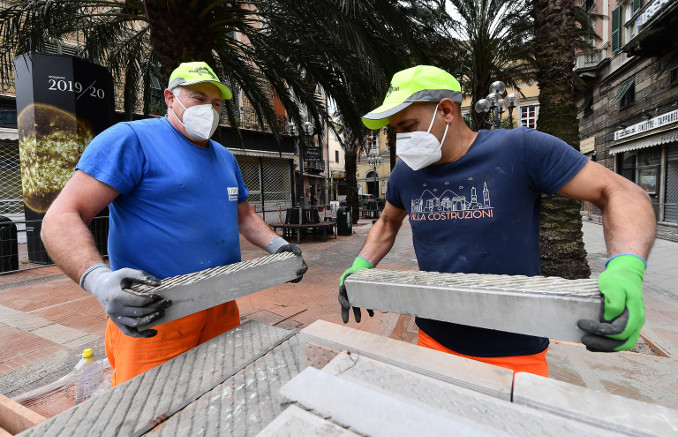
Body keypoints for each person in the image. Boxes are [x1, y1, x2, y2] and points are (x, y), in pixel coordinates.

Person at [338, 65, 656, 377]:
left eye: (407, 127)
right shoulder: (406, 173)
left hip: (515, 352)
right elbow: (388, 221)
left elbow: (621, 193)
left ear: (447, 111)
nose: (401, 141)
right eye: (396, 132)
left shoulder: (519, 149)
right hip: (433, 340)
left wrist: (626, 269)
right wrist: (361, 265)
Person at [41, 61, 307, 386]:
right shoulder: (131, 140)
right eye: (198, 98)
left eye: (217, 103)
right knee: (149, 413)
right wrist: (98, 281)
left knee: (217, 395)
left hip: (222, 302)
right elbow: (61, 217)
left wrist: (278, 246)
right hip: (156, 314)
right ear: (169, 98)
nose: (209, 109)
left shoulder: (225, 157)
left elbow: (244, 216)